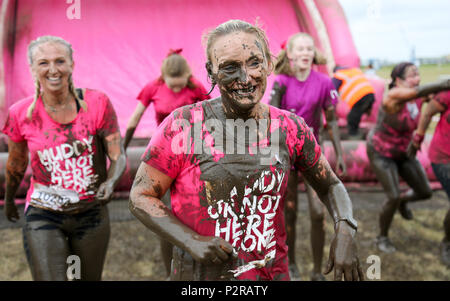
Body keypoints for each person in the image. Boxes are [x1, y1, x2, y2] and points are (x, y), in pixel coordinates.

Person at [129, 19, 363, 281]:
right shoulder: (183, 125)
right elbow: (141, 195)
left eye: (254, 62)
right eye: (230, 67)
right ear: (212, 72)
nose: (245, 77)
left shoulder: (289, 128)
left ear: (268, 64)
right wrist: (191, 241)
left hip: (269, 276)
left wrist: (345, 228)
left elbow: (330, 185)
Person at [2, 36, 126, 280]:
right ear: (32, 69)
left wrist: (111, 183)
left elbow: (117, 155)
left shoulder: (97, 103)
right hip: (43, 213)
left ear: (72, 64)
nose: (53, 69)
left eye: (60, 61)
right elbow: (16, 164)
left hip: (91, 213)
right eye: (43, 63)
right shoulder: (20, 114)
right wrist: (8, 200)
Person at [124, 49, 210, 278]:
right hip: (163, 155)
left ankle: (200, 257)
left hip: (194, 154)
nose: (175, 89)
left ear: (187, 77)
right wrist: (122, 149)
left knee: (192, 209)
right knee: (164, 214)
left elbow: (213, 116)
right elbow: (135, 117)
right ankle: (169, 272)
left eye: (179, 85)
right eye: (171, 85)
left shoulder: (196, 87)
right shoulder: (153, 87)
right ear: (164, 77)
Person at [269, 32, 346, 281]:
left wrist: (341, 154)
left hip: (312, 153)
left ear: (314, 54)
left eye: (309, 49)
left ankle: (316, 269)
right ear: (290, 54)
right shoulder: (280, 81)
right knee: (288, 212)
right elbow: (270, 120)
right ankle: (291, 264)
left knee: (317, 213)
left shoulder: (324, 82)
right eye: (300, 49)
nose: (305, 53)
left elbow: (332, 120)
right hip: (286, 155)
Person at [366, 62, 450, 253]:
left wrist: (418, 139)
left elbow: (438, 101)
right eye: (412, 75)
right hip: (381, 152)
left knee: (425, 191)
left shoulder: (419, 97)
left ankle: (403, 202)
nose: (417, 78)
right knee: (392, 196)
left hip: (404, 152)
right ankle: (382, 237)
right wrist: (446, 83)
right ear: (398, 80)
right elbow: (419, 92)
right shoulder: (394, 96)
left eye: (418, 74)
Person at [407, 90, 450, 266]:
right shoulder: (447, 93)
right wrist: (418, 139)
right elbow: (427, 113)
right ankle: (447, 242)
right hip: (443, 157)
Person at [332, 66, 376, 139]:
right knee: (359, 113)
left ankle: (354, 137)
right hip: (370, 93)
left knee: (352, 118)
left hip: (359, 97)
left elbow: (332, 92)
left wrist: (333, 109)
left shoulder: (338, 75)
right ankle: (367, 110)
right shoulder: (354, 71)